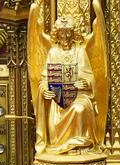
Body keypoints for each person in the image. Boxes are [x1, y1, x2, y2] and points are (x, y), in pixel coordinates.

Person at [35, 16, 98, 153]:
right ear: (57, 34)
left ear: (73, 33)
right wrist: (45, 89)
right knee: (56, 117)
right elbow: (45, 78)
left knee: (79, 109)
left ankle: (79, 144)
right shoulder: (53, 52)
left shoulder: (80, 51)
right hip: (60, 99)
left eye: (68, 32)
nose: (65, 37)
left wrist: (85, 83)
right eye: (62, 33)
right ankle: (62, 145)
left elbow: (90, 76)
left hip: (80, 95)